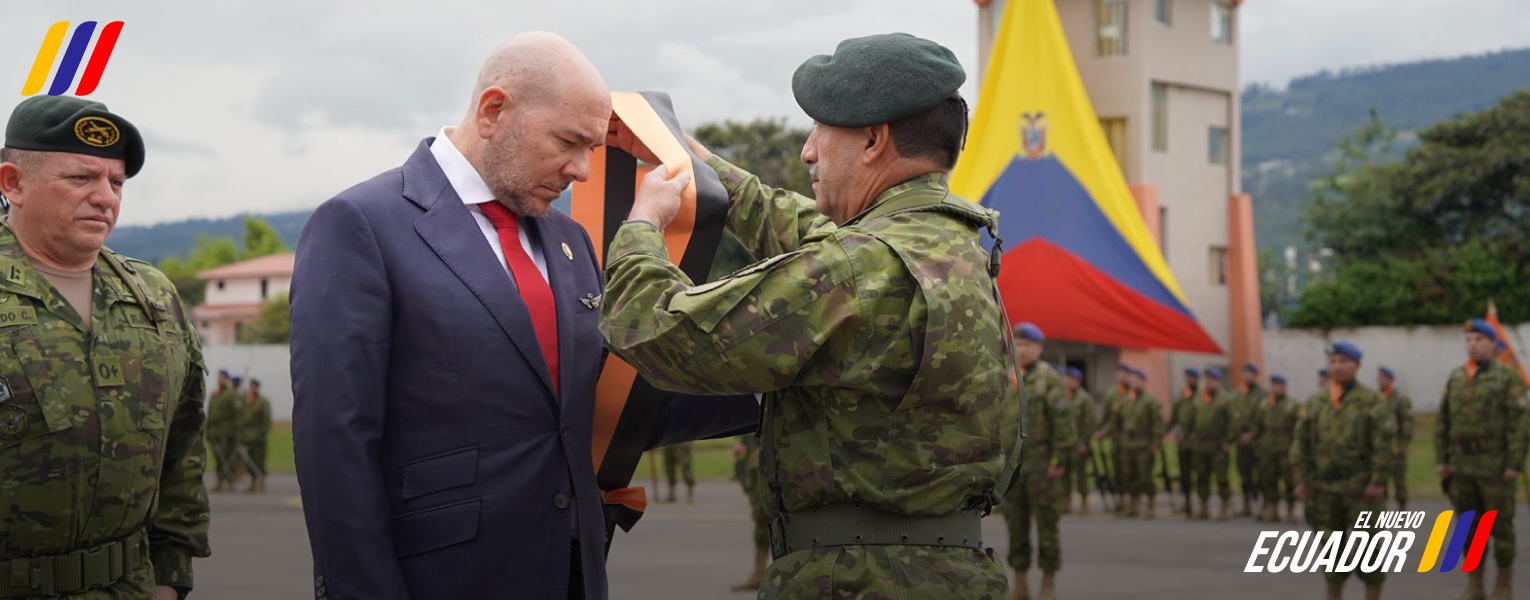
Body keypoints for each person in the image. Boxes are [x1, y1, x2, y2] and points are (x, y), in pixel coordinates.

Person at [289, 32, 758, 600]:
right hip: (444, 576)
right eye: (568, 141)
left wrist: (771, 379)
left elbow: (602, 398)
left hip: (570, 572)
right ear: (493, 111)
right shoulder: (363, 224)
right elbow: (335, 442)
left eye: (592, 147)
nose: (583, 170)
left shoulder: (569, 240)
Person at [601, 33, 1021, 600]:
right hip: (952, 574)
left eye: (821, 129)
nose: (807, 151)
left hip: (858, 580)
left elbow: (657, 331)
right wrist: (703, 168)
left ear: (873, 140)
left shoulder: (857, 268)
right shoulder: (953, 243)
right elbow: (824, 240)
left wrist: (642, 227)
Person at [0, 96, 209, 599]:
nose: (105, 197)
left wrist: (170, 580)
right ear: (13, 183)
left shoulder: (154, 297)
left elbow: (183, 445)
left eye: (115, 182)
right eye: (80, 178)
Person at [1291, 342, 1395, 600]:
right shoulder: (1316, 401)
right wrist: (1301, 480)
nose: (1337, 367)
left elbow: (1384, 444)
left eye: (1343, 362)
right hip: (1324, 489)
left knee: (1369, 549)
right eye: (1333, 361)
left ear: (1357, 366)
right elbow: (1301, 444)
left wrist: (1377, 481)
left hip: (1360, 488)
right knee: (1330, 550)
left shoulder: (1371, 401)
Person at [1434, 321, 1527, 600]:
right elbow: (1443, 422)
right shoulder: (1457, 377)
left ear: (1492, 343)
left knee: (1500, 527)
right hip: (1462, 468)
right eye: (1468, 339)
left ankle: (1503, 584)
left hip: (1494, 468)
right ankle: (1475, 584)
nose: (1472, 344)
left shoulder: (1506, 378)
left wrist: (1514, 463)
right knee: (1468, 528)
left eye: (1478, 339)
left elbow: (1519, 425)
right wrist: (1442, 460)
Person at [998, 324, 1074, 600]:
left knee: (1047, 525)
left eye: (1027, 344)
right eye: (1017, 344)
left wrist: (1059, 459)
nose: (1021, 349)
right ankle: (1020, 582)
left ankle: (1048, 581)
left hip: (1042, 464)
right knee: (1015, 524)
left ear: (1039, 348)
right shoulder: (1008, 376)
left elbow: (1063, 424)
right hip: (1013, 468)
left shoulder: (1049, 379)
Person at [1105, 368, 1162, 519]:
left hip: (1143, 443)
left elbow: (1157, 424)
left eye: (1138, 380)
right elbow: (1115, 422)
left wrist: (1155, 441)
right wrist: (1107, 433)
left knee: (1145, 476)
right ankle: (1133, 505)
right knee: (1128, 475)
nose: (1135, 383)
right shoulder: (1124, 400)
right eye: (1133, 380)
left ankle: (1150, 505)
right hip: (1127, 443)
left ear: (1144, 382)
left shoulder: (1150, 401)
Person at [1186, 367, 1234, 520]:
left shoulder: (1225, 399)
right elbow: (1191, 420)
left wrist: (1228, 441)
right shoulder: (1199, 398)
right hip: (1200, 445)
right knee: (1201, 476)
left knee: (1221, 478)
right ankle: (1203, 507)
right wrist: (1188, 438)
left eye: (1212, 380)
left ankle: (1224, 507)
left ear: (1218, 382)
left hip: (1218, 445)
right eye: (1206, 379)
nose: (1208, 382)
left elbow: (1233, 423)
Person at [1253, 374, 1299, 523]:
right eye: (1274, 385)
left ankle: (1291, 509)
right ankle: (1272, 508)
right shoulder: (1264, 404)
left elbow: (1298, 429)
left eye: (1280, 385)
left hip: (1285, 449)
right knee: (1268, 480)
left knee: (1289, 480)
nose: (1276, 388)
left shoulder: (1292, 405)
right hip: (1267, 450)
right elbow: (1257, 426)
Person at [729, 435, 770, 591]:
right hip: (758, 466)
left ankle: (760, 574)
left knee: (763, 521)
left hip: (764, 465)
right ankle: (759, 573)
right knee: (762, 523)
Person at [1376, 367, 1413, 511]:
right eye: (1379, 378)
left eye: (1383, 378)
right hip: (1381, 446)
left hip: (1396, 445)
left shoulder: (1401, 399)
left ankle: (1402, 506)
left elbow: (1407, 422)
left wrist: (1403, 442)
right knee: (1380, 478)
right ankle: (1381, 508)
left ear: (1390, 380)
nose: (1380, 380)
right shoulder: (1376, 398)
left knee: (1399, 479)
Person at [1233, 363, 1265, 517]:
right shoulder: (1237, 394)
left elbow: (1264, 417)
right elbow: (1232, 417)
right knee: (1244, 474)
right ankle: (1246, 505)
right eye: (1245, 373)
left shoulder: (1263, 394)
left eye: (1250, 373)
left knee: (1259, 474)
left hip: (1257, 442)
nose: (1247, 376)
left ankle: (1261, 505)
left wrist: (1253, 433)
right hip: (1241, 442)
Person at [1063, 366, 1096, 515]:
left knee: (1080, 474)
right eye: (1067, 378)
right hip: (1065, 443)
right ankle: (1066, 503)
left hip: (1078, 443)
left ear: (1079, 381)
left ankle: (1084, 503)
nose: (1069, 381)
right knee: (1064, 474)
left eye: (1072, 379)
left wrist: (1084, 442)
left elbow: (1089, 423)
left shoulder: (1085, 399)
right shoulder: (1061, 397)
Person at [1168, 367, 1200, 516]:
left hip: (1198, 443)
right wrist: (1164, 432)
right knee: (1184, 475)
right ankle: (1187, 503)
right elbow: (1174, 418)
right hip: (1183, 442)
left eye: (1192, 378)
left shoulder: (1202, 396)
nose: (1189, 380)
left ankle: (1201, 503)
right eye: (1187, 377)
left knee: (1200, 474)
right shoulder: (1181, 396)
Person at [239, 378, 272, 493]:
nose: (252, 389)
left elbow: (266, 421)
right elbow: (242, 419)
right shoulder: (247, 402)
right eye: (251, 386)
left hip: (258, 436)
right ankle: (253, 483)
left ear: (258, 388)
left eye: (254, 387)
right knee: (250, 461)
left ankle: (260, 483)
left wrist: (262, 435)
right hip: (248, 437)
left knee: (259, 461)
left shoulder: (263, 402)